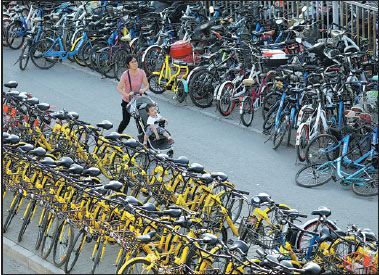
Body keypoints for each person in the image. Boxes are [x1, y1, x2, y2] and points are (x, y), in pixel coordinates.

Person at [116, 54, 149, 134]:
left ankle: (143, 138)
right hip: (127, 102)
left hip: (138, 101)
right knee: (125, 121)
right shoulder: (125, 74)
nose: (135, 63)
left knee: (141, 120)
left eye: (135, 61)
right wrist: (127, 94)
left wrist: (143, 89)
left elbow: (147, 85)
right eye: (132, 62)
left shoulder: (141, 72)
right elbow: (119, 88)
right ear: (128, 65)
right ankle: (117, 134)